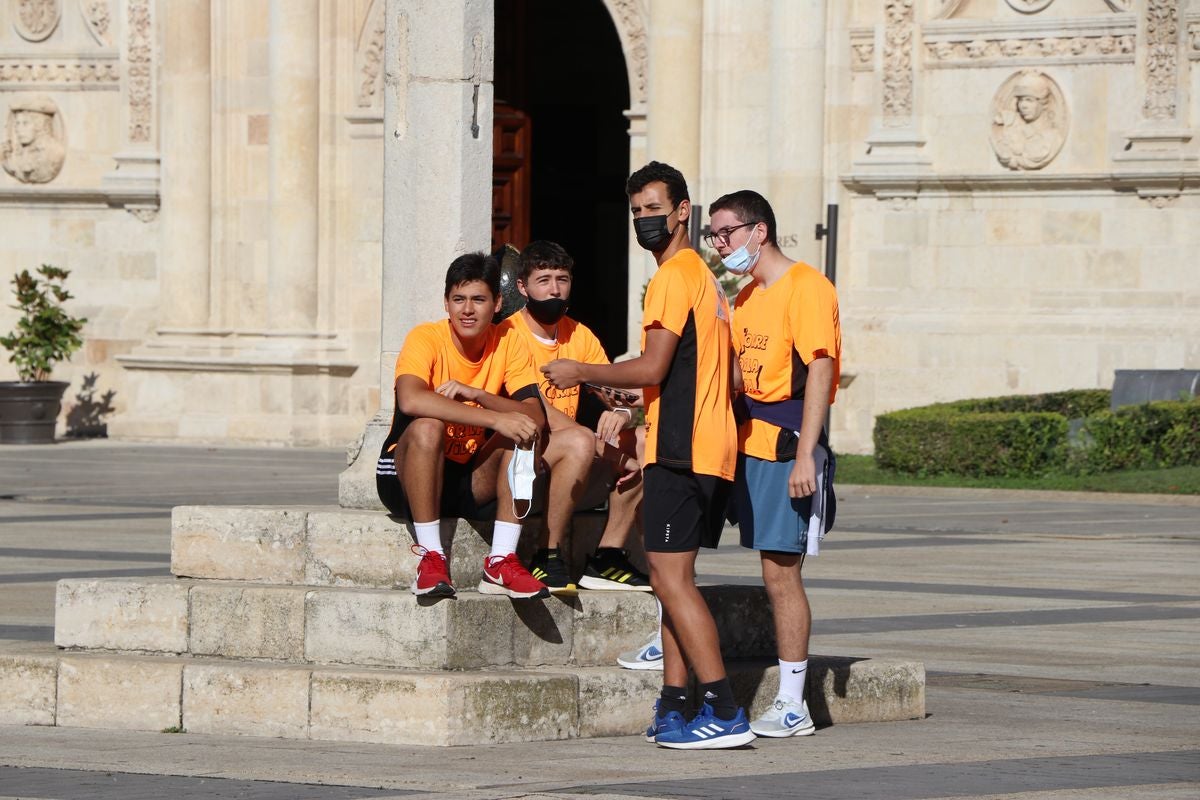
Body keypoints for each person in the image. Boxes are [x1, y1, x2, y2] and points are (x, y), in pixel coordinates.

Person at [543, 161, 752, 749]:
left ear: (683, 210)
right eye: (636, 210)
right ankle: (675, 704)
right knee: (671, 579)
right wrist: (635, 396)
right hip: (706, 444)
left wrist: (580, 369)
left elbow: (656, 364)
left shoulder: (671, 278)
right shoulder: (707, 278)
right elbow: (702, 372)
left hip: (682, 451)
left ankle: (724, 708)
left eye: (654, 208)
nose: (644, 219)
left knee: (669, 579)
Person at [707, 189, 841, 738]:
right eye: (714, 237)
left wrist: (806, 452)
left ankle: (793, 702)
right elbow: (741, 375)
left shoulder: (807, 287)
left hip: (786, 445)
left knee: (780, 573)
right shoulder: (744, 297)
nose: (720, 246)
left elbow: (822, 370)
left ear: (758, 231)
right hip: (742, 440)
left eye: (727, 234)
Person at [375, 252, 550, 600]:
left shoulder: (508, 341)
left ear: (497, 303)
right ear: (446, 303)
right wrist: (494, 417)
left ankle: (500, 561)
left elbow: (535, 416)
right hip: (404, 477)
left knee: (522, 430)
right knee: (428, 426)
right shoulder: (425, 337)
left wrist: (480, 396)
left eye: (478, 299)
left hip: (469, 479)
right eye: (459, 299)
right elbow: (410, 399)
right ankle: (431, 557)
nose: (467, 310)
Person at [497, 240, 650, 595]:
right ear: (523, 287)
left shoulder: (580, 334)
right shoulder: (506, 335)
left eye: (562, 279)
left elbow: (616, 393)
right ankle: (546, 554)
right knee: (579, 442)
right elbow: (535, 410)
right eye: (544, 279)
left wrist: (624, 413)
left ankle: (608, 556)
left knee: (646, 440)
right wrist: (609, 451)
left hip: (576, 450)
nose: (554, 289)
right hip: (527, 451)